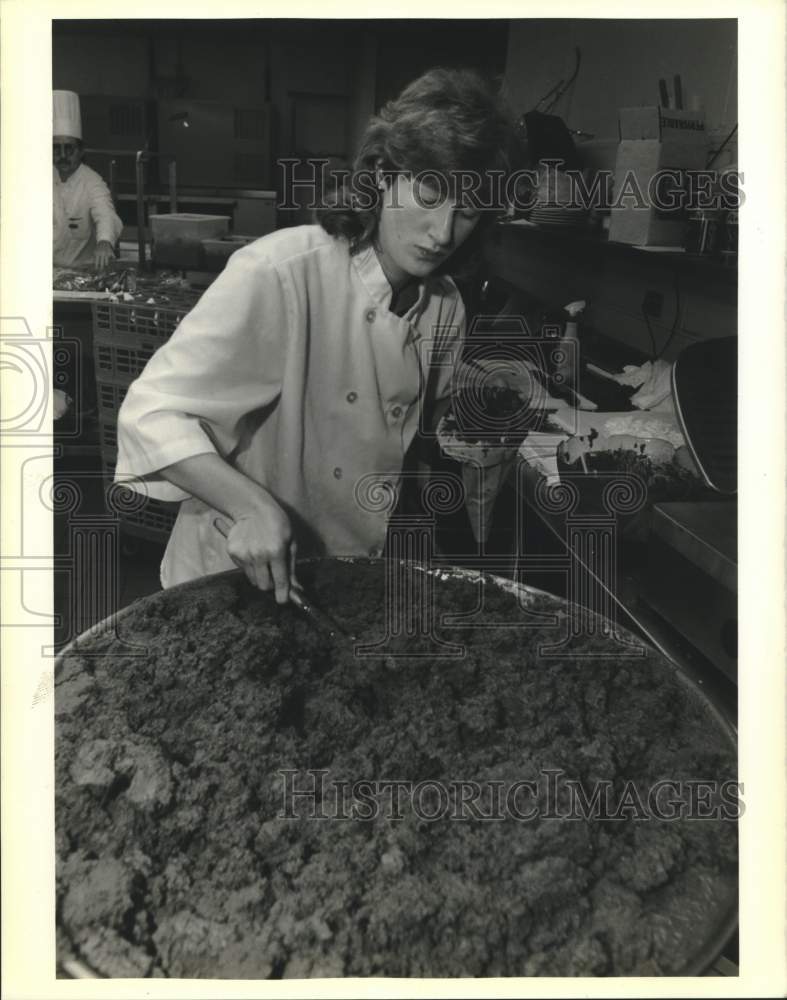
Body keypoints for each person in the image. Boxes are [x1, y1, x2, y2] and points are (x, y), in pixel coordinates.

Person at [115, 68, 515, 601]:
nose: (441, 233)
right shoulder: (282, 271)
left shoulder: (445, 308)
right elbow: (150, 415)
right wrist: (250, 505)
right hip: (232, 573)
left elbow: (410, 437)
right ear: (381, 173)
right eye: (428, 194)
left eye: (465, 214)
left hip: (343, 575)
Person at [53, 90, 123, 270]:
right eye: (56, 148)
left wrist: (105, 242)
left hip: (82, 272)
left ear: (81, 151)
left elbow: (105, 214)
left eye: (69, 149)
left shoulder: (92, 181)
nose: (62, 156)